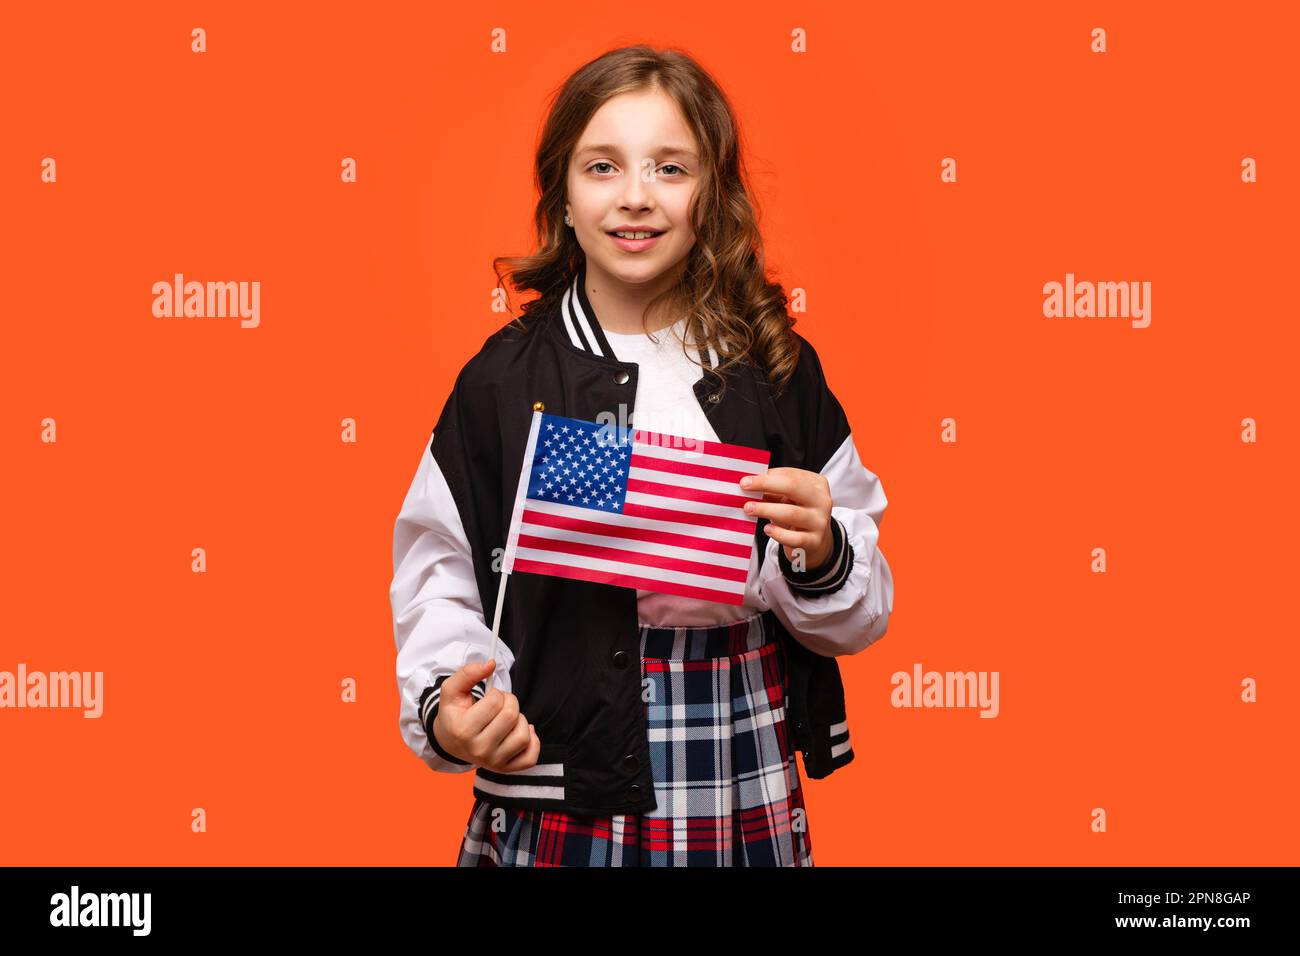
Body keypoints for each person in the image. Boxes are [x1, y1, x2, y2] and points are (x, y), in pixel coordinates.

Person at [390, 44, 894, 866]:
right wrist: (453, 703)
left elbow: (858, 615)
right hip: (565, 763)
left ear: (713, 192)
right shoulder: (504, 382)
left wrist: (824, 551)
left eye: (670, 168)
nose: (634, 197)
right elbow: (441, 573)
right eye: (602, 167)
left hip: (739, 746)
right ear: (561, 193)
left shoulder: (774, 369)